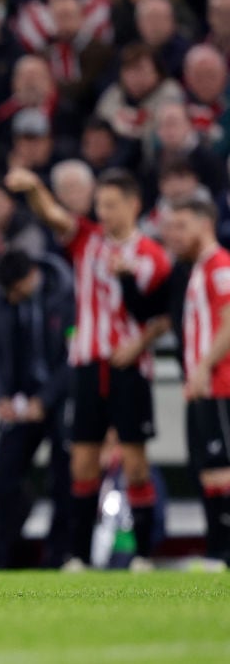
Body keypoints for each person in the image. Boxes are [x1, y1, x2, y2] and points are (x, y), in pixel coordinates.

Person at [5, 166, 171, 572]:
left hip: (128, 368)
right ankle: (77, 555)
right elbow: (54, 216)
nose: (104, 212)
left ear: (134, 205)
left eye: (111, 205)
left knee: (133, 462)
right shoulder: (89, 240)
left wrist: (139, 344)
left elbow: (164, 314)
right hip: (85, 365)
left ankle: (143, 555)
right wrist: (35, 186)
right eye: (99, 204)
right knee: (82, 461)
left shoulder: (152, 255)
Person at [0, 250, 74, 568]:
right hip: (19, 400)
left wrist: (45, 400)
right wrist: (1, 396)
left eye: (17, 289)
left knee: (64, 477)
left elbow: (72, 357)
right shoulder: (2, 298)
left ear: (31, 275)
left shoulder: (64, 293)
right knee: (1, 475)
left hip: (61, 398)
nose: (13, 296)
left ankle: (60, 555)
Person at [164, 198, 230, 567]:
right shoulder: (200, 268)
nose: (174, 235)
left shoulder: (219, 265)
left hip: (220, 383)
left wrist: (204, 367)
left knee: (222, 469)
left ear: (204, 225)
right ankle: (217, 551)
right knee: (208, 471)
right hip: (206, 384)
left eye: (182, 227)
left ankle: (223, 553)